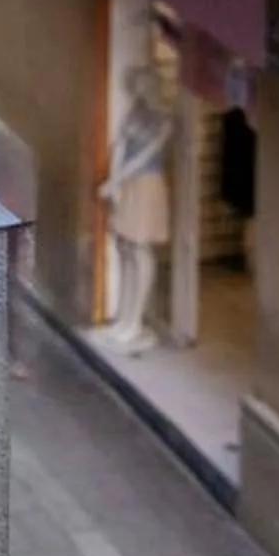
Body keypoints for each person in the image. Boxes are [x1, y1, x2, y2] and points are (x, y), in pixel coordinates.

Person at [100, 63, 174, 353]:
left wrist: (114, 180)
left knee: (140, 248)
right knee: (125, 246)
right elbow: (119, 147)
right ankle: (124, 317)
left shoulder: (163, 119)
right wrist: (115, 184)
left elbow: (144, 156)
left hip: (147, 186)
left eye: (143, 85)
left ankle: (135, 321)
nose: (138, 90)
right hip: (128, 185)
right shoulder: (134, 113)